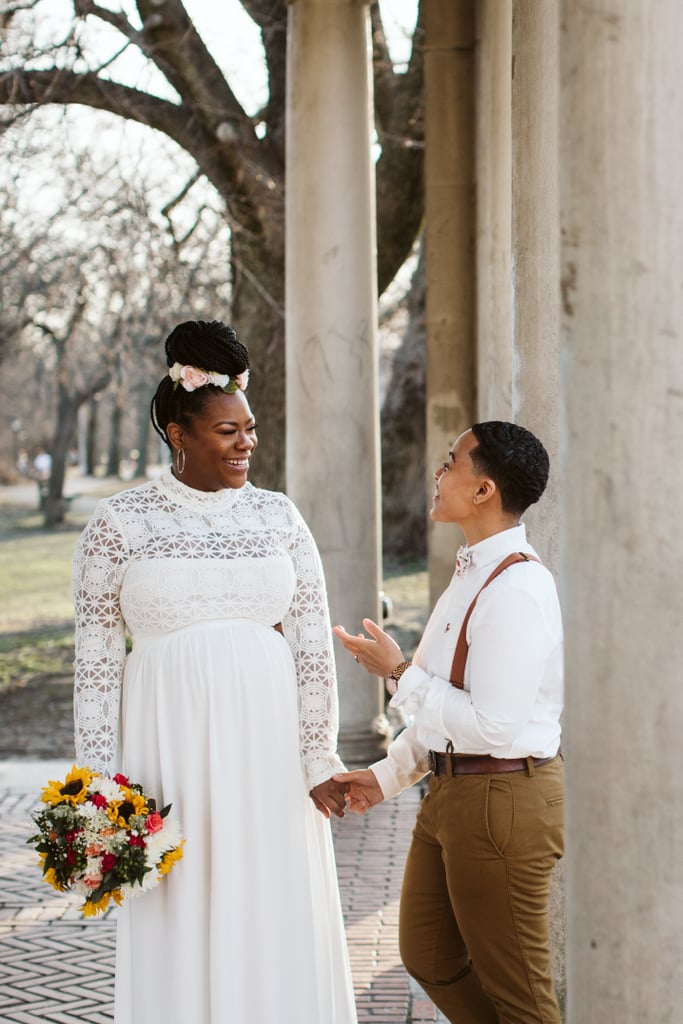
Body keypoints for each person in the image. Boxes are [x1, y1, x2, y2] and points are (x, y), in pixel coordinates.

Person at [73, 320, 357, 1024]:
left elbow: (313, 646)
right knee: (181, 900)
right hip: (166, 750)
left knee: (269, 896)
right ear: (179, 434)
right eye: (228, 431)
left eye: (250, 429)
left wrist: (317, 752)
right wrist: (97, 791)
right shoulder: (118, 524)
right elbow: (97, 665)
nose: (246, 444)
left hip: (267, 750)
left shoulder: (278, 517)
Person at [333, 422, 564, 1024]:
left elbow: (490, 726)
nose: (438, 473)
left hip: (502, 796)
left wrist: (400, 671)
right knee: (429, 954)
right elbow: (447, 711)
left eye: (451, 461)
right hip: (452, 792)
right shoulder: (472, 573)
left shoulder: (517, 588)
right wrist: (385, 779)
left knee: (522, 997)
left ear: (483, 489)